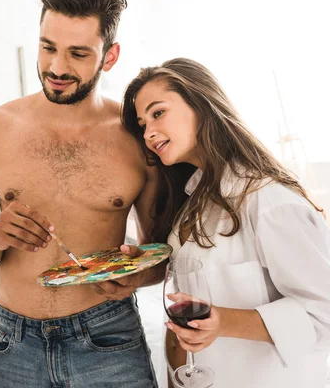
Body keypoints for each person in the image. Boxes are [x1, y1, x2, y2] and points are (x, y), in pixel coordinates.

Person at [0, 0, 163, 386]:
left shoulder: (138, 136)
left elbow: (160, 253)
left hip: (107, 336)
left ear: (110, 56)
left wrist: (137, 275)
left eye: (78, 54)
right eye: (48, 47)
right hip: (14, 344)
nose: (56, 66)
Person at [121, 57, 330, 388]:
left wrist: (223, 322)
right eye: (142, 124)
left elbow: (325, 314)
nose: (148, 132)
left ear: (201, 104)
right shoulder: (192, 201)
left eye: (158, 113)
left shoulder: (269, 201)